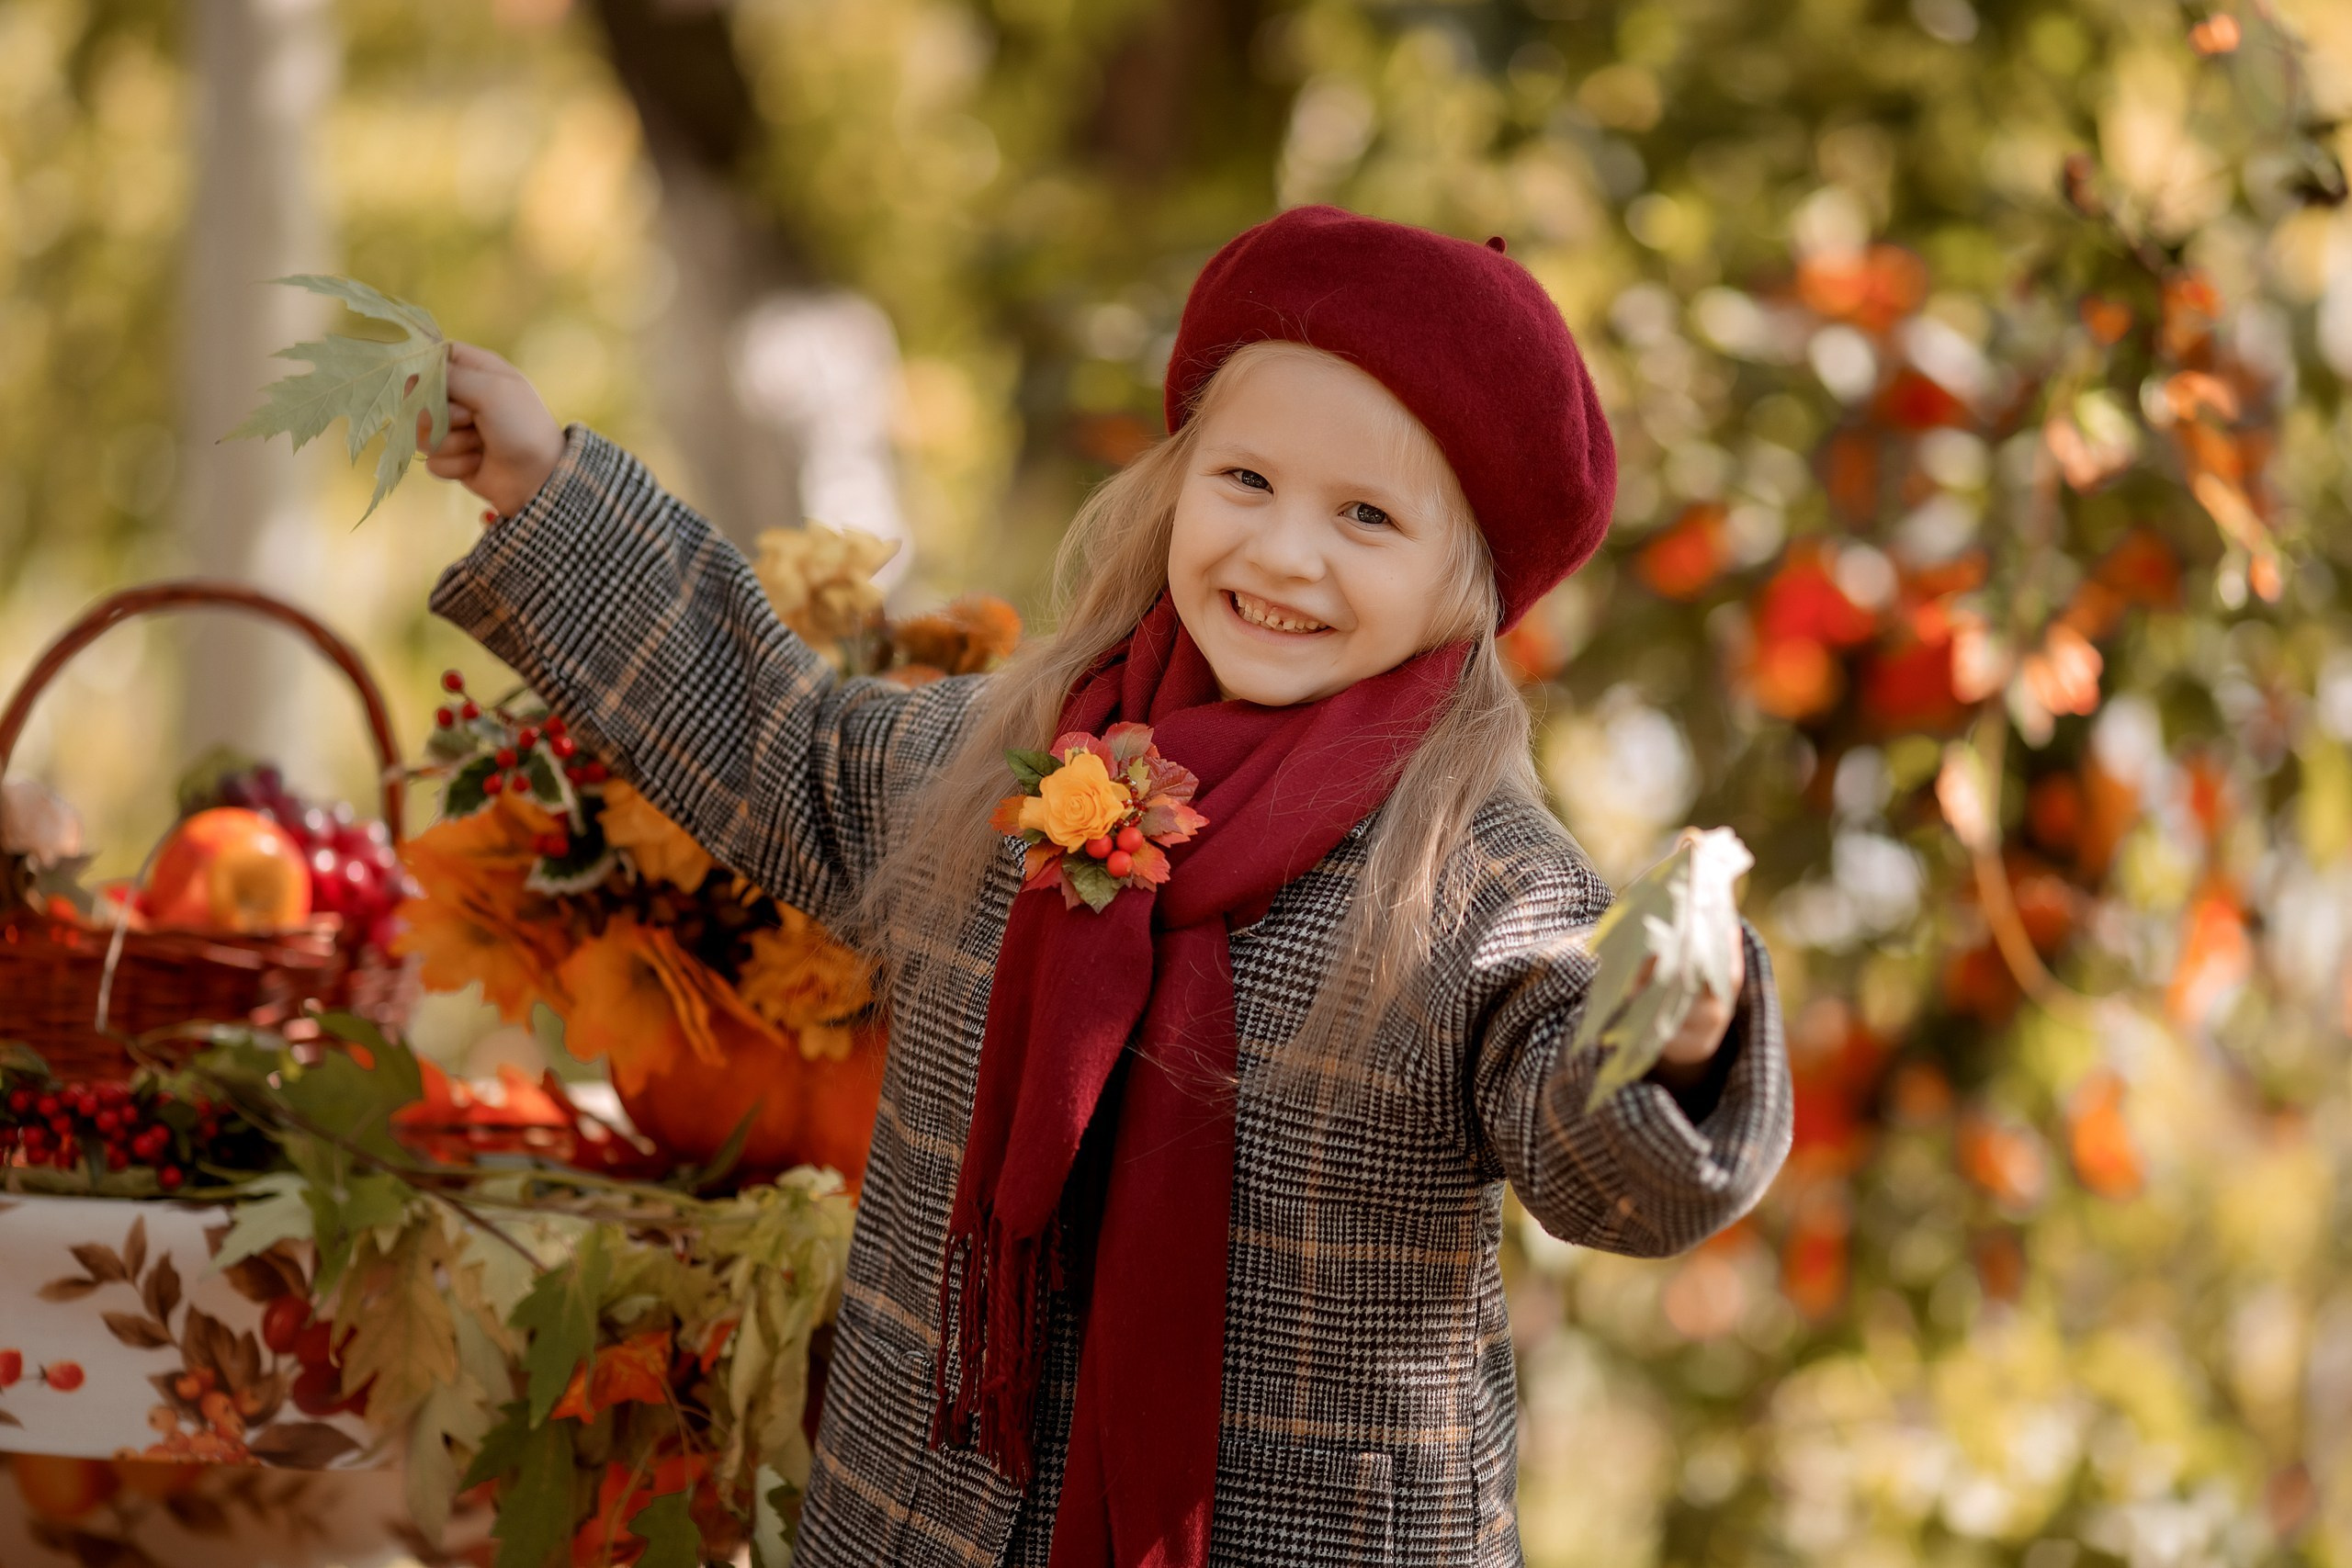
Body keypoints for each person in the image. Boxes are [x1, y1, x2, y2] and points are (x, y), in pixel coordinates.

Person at [418, 204, 1793, 1568]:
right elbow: (775, 738)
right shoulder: (1001, 761)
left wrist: (1670, 1037)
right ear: (1178, 483)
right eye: (1246, 481)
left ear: (1467, 580)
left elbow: (1598, 1160)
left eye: (1366, 515)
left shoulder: (1478, 878)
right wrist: (545, 489)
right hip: (928, 1511)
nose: (1282, 553)